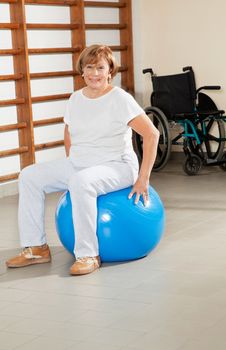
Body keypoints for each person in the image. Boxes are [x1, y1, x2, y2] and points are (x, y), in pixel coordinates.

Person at [6, 44, 160, 275]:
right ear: (82, 70)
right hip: (80, 163)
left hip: (117, 166)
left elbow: (151, 134)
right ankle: (36, 248)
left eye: (100, 67)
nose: (94, 73)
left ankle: (88, 255)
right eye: (89, 67)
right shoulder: (76, 98)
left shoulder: (120, 98)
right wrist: (71, 161)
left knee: (81, 182)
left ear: (110, 71)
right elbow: (69, 132)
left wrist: (143, 178)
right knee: (30, 176)